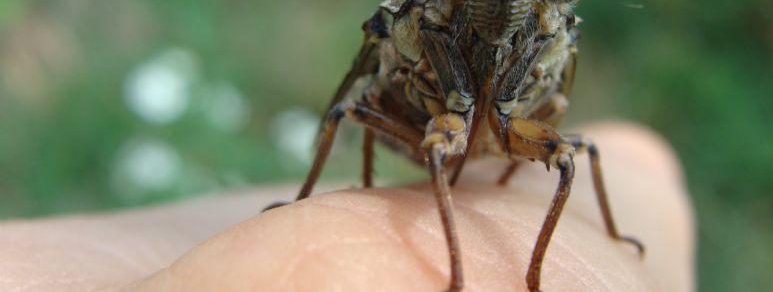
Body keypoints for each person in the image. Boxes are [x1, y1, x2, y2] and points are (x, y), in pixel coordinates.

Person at [0, 122, 693, 291]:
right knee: (355, 105)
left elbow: (561, 111)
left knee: (579, 153)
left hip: (510, 129)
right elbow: (357, 97)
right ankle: (450, 264)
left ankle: (536, 274)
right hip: (416, 113)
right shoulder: (413, 14)